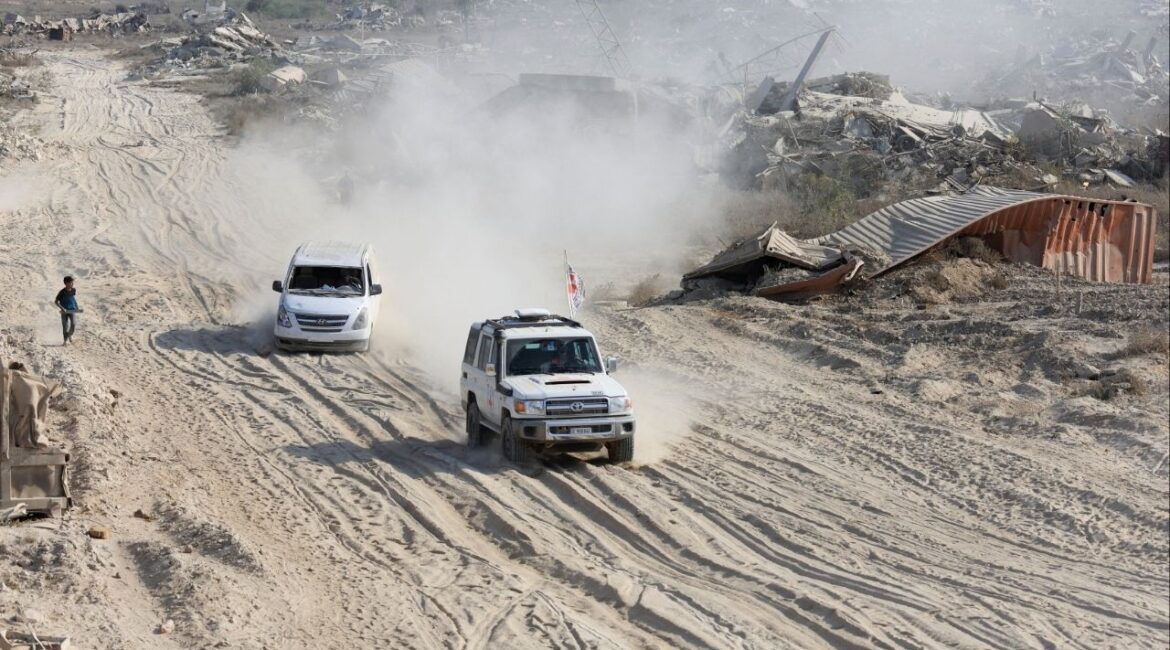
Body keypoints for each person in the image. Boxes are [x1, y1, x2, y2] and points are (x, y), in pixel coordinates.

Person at [53, 276, 81, 345]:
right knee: (65, 326)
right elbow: (56, 302)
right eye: (71, 282)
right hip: (64, 312)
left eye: (72, 282)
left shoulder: (73, 290)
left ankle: (69, 335)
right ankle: (65, 341)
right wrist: (62, 308)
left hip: (72, 310)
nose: (72, 284)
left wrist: (76, 306)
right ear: (66, 283)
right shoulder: (62, 292)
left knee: (73, 324)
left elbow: (73, 298)